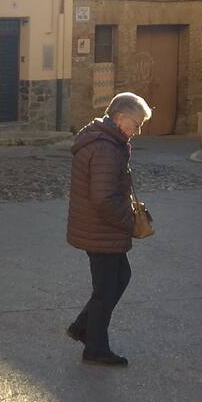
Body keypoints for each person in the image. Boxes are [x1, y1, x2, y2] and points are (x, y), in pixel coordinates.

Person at [65, 92, 152, 367]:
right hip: (102, 229)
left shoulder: (106, 140)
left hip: (100, 228)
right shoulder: (106, 148)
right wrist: (128, 221)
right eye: (136, 124)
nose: (137, 131)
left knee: (119, 278)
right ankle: (95, 348)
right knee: (107, 287)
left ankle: (83, 327)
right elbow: (103, 199)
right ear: (120, 118)